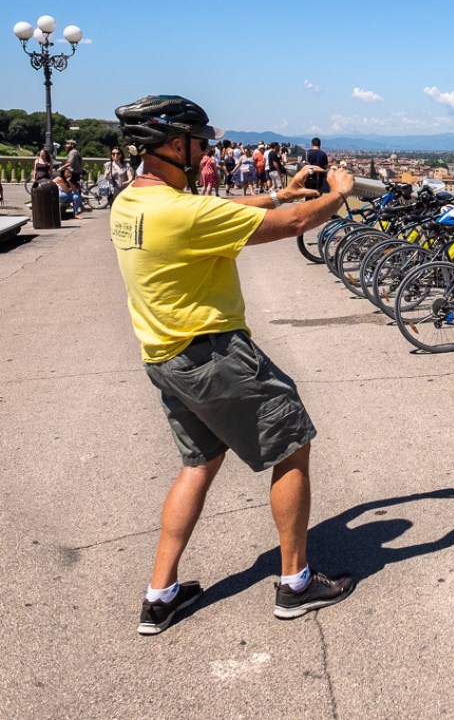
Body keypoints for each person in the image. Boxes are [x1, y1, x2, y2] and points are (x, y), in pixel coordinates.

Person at [110, 94, 357, 636]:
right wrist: (338, 193)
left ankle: (160, 595)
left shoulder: (130, 204)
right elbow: (294, 224)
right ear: (175, 144)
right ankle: (295, 584)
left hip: (164, 356)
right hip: (213, 355)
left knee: (199, 463)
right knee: (291, 443)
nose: (206, 152)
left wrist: (277, 192)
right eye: (200, 143)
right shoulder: (182, 213)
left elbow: (220, 213)